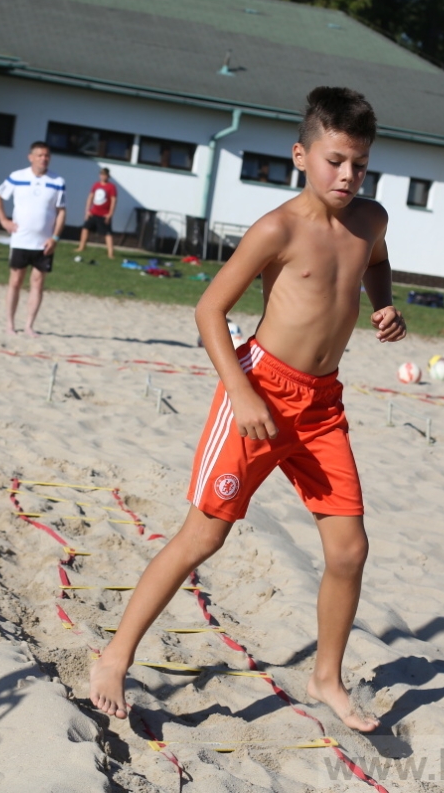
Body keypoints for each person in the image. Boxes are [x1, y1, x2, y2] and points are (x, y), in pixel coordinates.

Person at [89, 87, 406, 732]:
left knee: (349, 550)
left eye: (360, 165)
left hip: (323, 408)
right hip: (259, 391)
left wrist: (384, 303)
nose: (348, 176)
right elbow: (209, 310)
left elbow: (376, 262)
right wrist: (240, 390)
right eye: (336, 160)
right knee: (204, 534)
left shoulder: (371, 220)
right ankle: (115, 657)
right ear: (301, 155)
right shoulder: (277, 229)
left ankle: (326, 677)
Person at [0, 142, 66, 337]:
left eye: (47, 155)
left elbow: (61, 211)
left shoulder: (57, 180)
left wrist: (55, 237)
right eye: (39, 155)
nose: (43, 158)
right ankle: (9, 325)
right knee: (15, 280)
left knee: (38, 282)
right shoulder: (17, 177)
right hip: (20, 240)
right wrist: (3, 219)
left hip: (44, 242)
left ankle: (29, 326)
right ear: (30, 157)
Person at [77, 167, 118, 258]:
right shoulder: (96, 185)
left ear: (108, 176)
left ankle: (110, 253)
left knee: (107, 233)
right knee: (85, 228)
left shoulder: (111, 187)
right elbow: (90, 197)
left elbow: (113, 201)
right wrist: (87, 211)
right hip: (93, 212)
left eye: (105, 175)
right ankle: (81, 247)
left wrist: (110, 214)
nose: (103, 176)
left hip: (104, 214)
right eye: (102, 174)